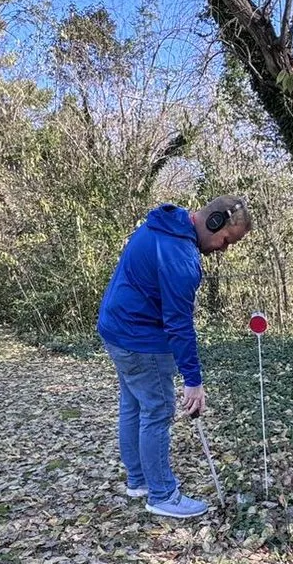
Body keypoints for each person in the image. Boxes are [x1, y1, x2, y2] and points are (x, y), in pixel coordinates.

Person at [98, 195, 252, 518]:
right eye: (226, 240)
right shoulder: (181, 257)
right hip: (139, 336)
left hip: (115, 327)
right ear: (214, 223)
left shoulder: (169, 223)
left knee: (134, 403)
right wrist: (193, 381)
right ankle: (162, 494)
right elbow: (179, 324)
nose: (224, 249)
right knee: (157, 409)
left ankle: (138, 481)